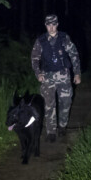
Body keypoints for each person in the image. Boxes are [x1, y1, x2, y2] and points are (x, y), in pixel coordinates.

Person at [31, 14, 81, 142]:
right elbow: (34, 58)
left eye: (53, 24)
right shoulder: (40, 40)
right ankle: (51, 132)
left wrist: (77, 73)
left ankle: (62, 126)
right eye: (49, 25)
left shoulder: (64, 38)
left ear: (57, 24)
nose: (51, 27)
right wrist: (38, 73)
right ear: (45, 25)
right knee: (49, 104)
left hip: (63, 75)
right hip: (47, 76)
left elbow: (74, 54)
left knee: (66, 101)